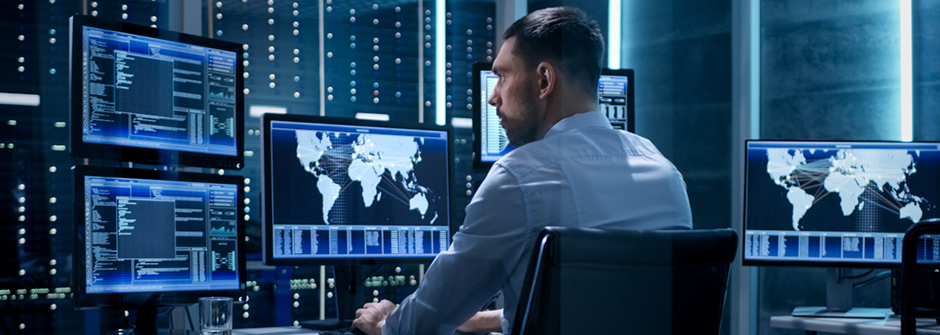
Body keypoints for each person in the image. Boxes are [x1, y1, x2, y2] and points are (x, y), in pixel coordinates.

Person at [352, 6, 693, 335]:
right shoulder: (666, 173)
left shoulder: (519, 178)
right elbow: (613, 306)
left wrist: (385, 324)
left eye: (501, 76)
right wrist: (483, 320)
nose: (492, 97)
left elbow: (426, 321)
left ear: (544, 80)